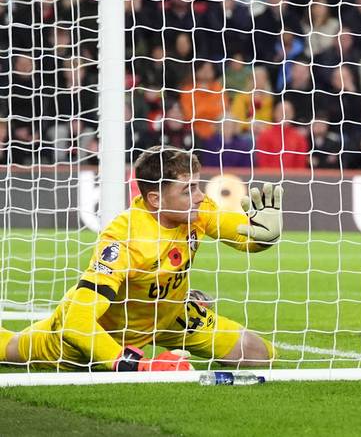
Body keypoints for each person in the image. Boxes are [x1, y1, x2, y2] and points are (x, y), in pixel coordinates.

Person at [0, 146, 281, 371]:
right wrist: (127, 363)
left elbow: (245, 237)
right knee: (11, 349)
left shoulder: (197, 210)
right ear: (156, 199)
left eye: (197, 186)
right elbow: (77, 321)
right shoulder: (125, 236)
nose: (198, 197)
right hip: (109, 333)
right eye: (188, 190)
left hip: (171, 316)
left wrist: (264, 237)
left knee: (260, 356)